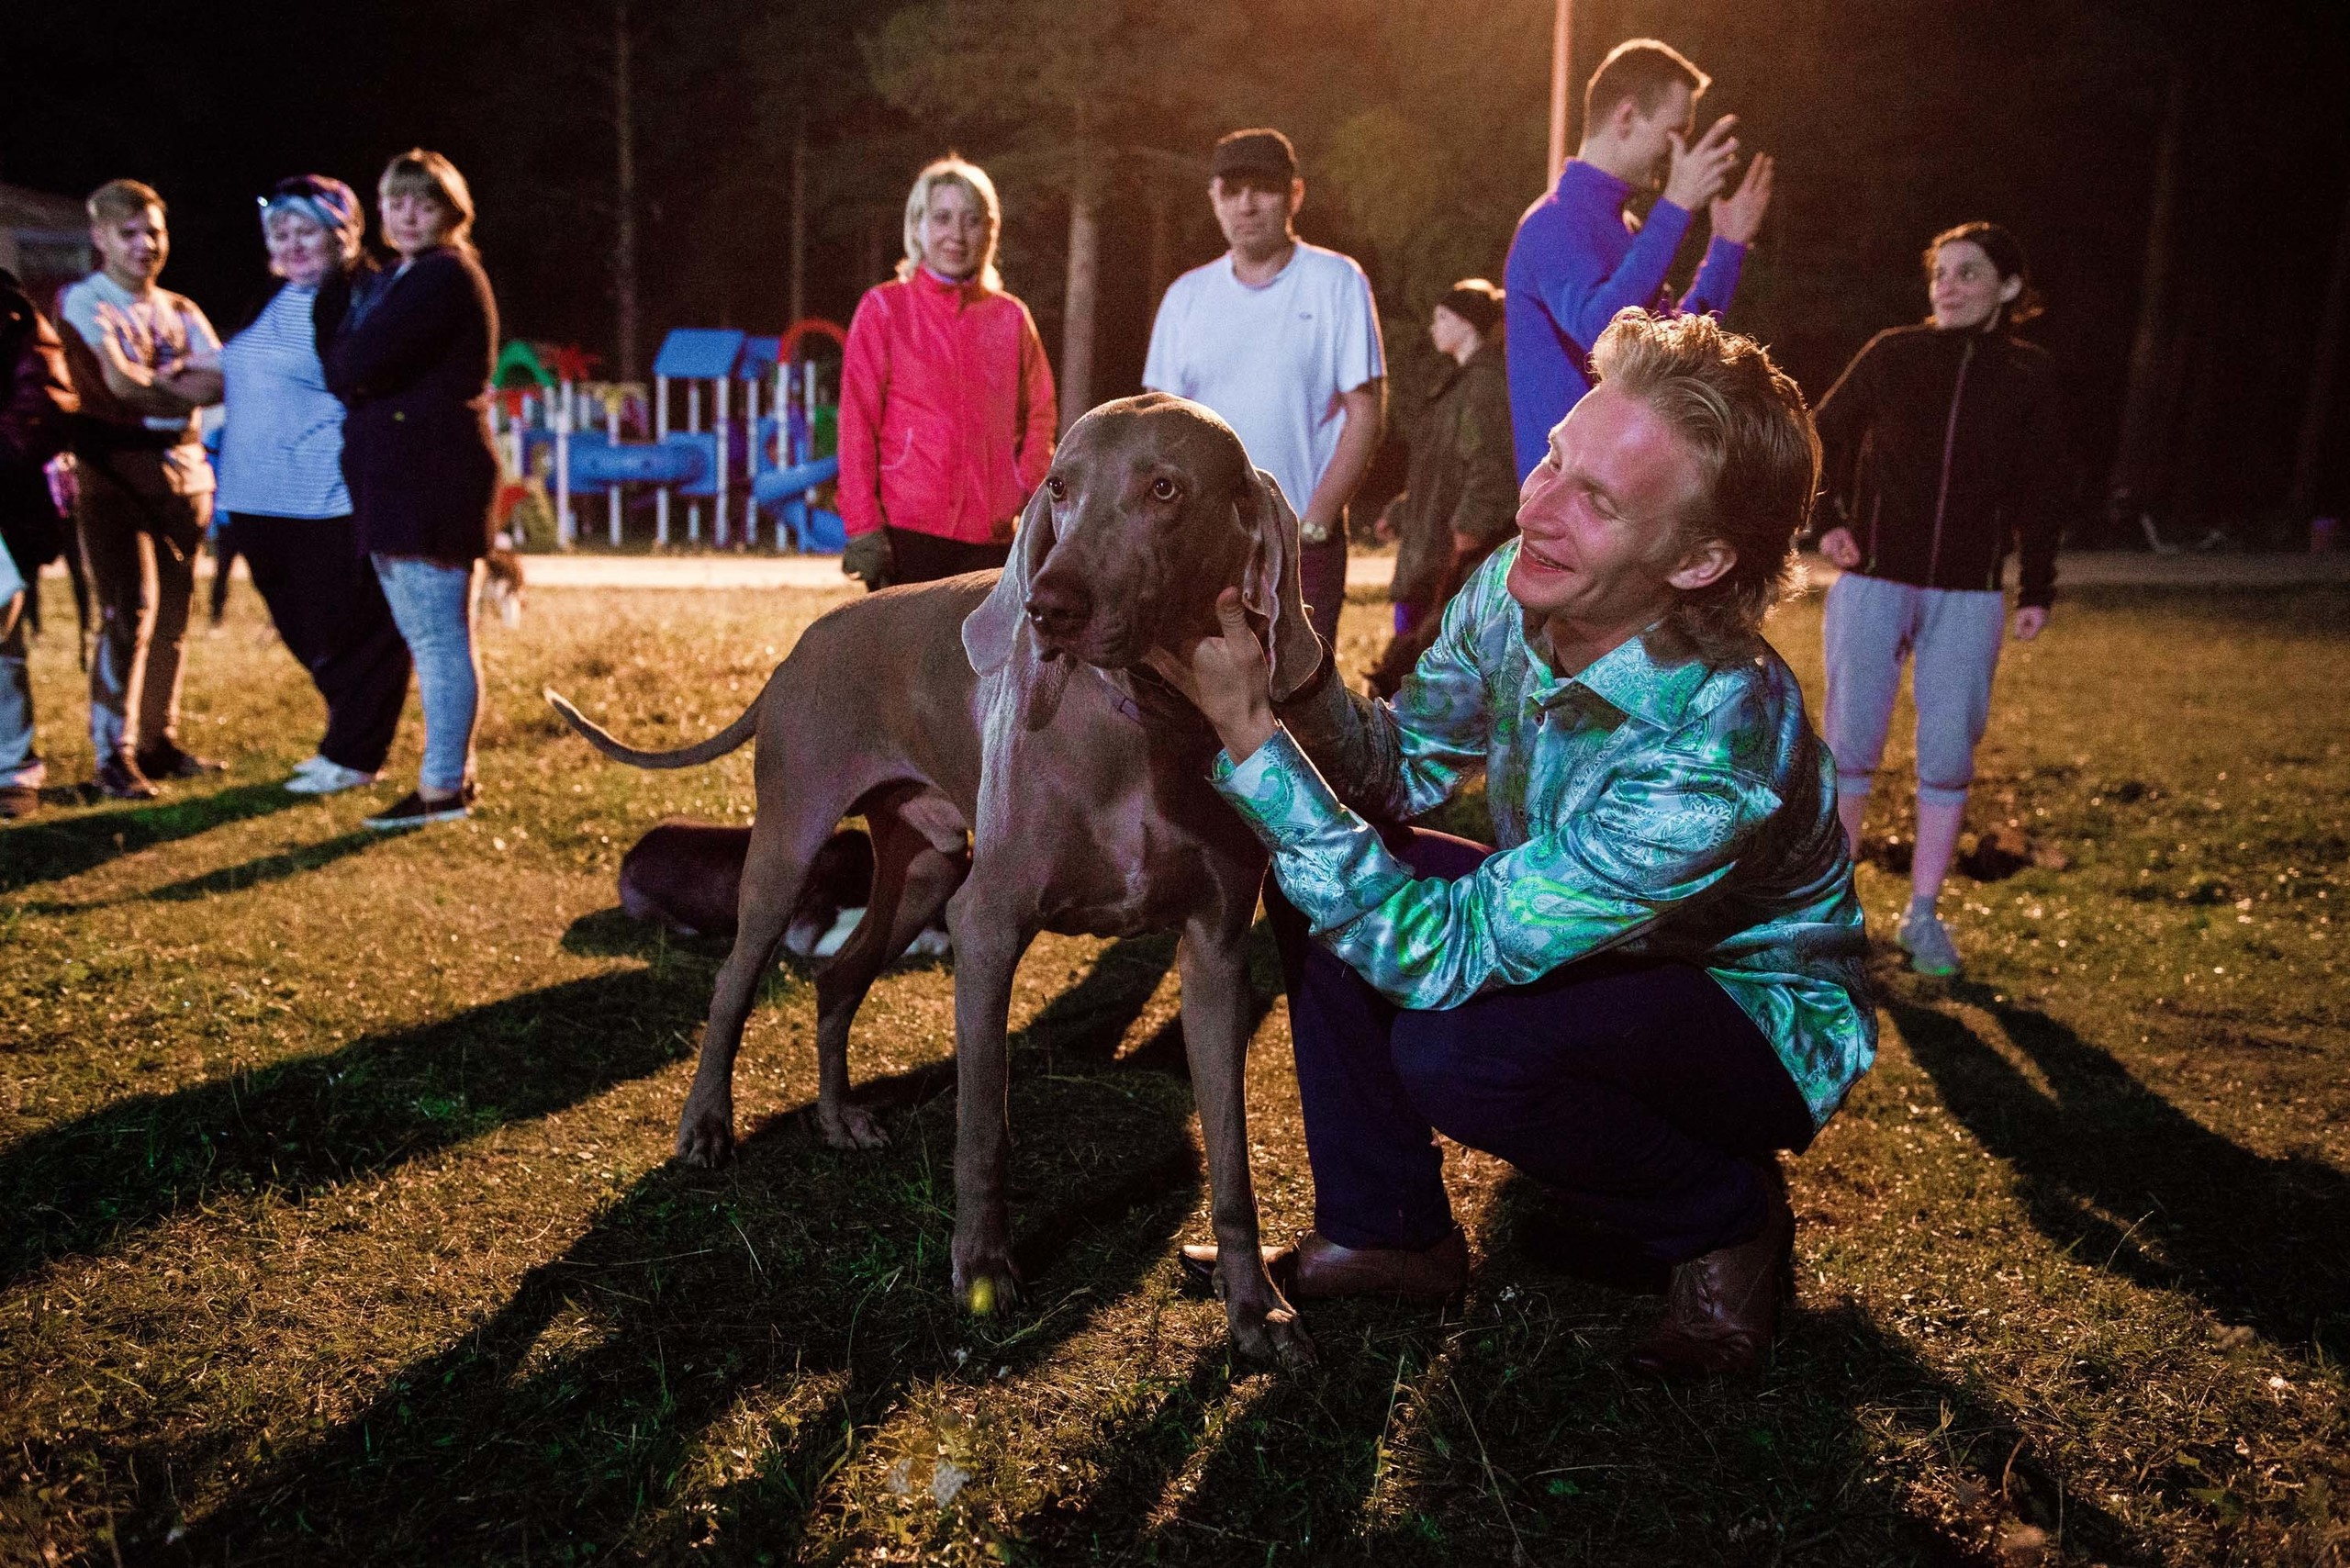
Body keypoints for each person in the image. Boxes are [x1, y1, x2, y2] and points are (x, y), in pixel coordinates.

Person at [1155, 309, 1874, 1380]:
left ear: (1698, 559)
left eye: (1597, 500)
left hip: (1747, 1011)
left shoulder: (1721, 735)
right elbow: (1399, 770)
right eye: (1554, 458)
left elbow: (1439, 955)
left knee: (1460, 1051)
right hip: (1599, 942)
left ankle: (1726, 1219)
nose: (1537, 507)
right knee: (1321, 876)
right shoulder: (1519, 581)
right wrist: (1292, 664)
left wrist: (1252, 736)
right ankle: (1387, 1230)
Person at [1813, 221, 2065, 977]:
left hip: (1968, 593)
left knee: (1949, 753)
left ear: (2008, 287)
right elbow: (1819, 432)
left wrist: (2038, 586)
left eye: (1968, 273)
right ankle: (1829, 914)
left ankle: (1922, 916)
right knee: (1850, 746)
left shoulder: (2029, 374)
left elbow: (2045, 487)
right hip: (1872, 581)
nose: (1948, 287)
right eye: (1940, 273)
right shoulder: (1893, 353)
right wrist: (1826, 522)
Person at [1144, 128, 1385, 653]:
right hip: (1202, 545)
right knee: (1201, 690)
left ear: (1294, 194)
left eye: (1263, 188)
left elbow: (1365, 410)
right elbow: (1157, 430)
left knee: (1299, 689)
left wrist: (1317, 522)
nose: (1246, 204)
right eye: (1231, 190)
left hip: (1300, 543)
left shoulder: (1337, 281)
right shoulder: (1186, 297)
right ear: (1214, 198)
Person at [208, 175, 411, 796]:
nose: (292, 245)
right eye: (281, 233)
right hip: (254, 498)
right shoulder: (269, 298)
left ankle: (356, 754)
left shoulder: (363, 297)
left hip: (324, 498)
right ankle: (344, 737)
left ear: (342, 233)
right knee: (305, 633)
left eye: (307, 231)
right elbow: (241, 371)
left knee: (352, 632)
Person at [1503, 39, 1774, 481]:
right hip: (1568, 501)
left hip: (1616, 493)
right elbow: (1604, 335)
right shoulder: (1551, 223)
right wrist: (1675, 207)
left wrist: (1727, 247)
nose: (1679, 151)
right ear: (1626, 116)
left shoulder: (1626, 228)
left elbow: (1672, 355)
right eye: (1676, 132)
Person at [325, 150, 500, 830]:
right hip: (409, 472)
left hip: (428, 475)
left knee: (437, 639)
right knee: (434, 636)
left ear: (451, 212)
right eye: (395, 202)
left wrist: (352, 360)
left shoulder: (443, 274)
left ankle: (442, 788)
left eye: (423, 203)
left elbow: (355, 363)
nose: (406, 215)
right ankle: (449, 777)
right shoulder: (406, 275)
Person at [56, 179, 226, 800]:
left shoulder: (180, 308)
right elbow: (120, 382)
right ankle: (114, 753)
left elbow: (220, 379)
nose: (145, 245)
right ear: (100, 237)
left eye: (154, 231)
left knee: (174, 615)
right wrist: (177, 387)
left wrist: (164, 388)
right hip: (114, 475)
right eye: (128, 233)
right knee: (127, 612)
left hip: (185, 473)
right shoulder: (86, 300)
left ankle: (158, 739)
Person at [838, 156, 1057, 590]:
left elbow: (1041, 413)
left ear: (989, 231)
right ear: (917, 225)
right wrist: (863, 525)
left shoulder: (1011, 317)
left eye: (972, 221)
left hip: (991, 536)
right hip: (906, 532)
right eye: (942, 218)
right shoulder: (884, 309)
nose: (956, 234)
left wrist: (1024, 489)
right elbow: (856, 423)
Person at [1375, 279, 1517, 653]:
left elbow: (1491, 464)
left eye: (1441, 317)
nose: (1432, 327)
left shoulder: (1483, 386)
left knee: (1431, 655)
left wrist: (1471, 526)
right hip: (1435, 554)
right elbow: (1441, 472)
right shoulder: (1459, 385)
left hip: (1453, 561)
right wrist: (1402, 512)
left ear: (1466, 323)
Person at [0, 264, 79, 819]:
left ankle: (10, 768)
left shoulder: (10, 310)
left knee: (1, 639)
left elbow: (42, 401)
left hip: (1, 501)